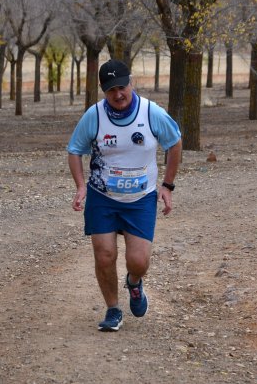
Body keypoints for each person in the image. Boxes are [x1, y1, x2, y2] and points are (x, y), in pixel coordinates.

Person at [67, 59, 182, 332]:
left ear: (132, 83)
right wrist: (81, 186)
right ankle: (113, 309)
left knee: (139, 261)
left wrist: (167, 185)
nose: (118, 94)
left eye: (122, 87)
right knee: (104, 255)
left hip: (140, 199)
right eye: (110, 90)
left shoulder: (151, 113)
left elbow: (175, 143)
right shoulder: (94, 116)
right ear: (103, 91)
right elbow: (75, 150)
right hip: (102, 196)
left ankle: (133, 282)